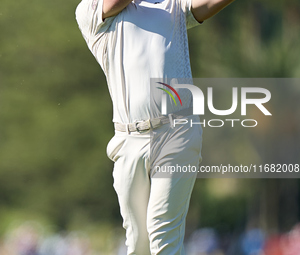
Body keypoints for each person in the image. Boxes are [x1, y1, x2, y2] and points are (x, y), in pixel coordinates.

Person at [75, 0, 234, 254]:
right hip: (127, 140)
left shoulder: (171, 4)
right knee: (138, 243)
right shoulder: (90, 10)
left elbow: (206, 4)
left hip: (177, 131)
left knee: (162, 234)